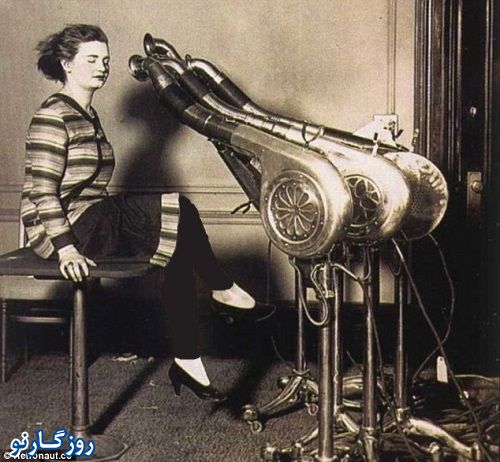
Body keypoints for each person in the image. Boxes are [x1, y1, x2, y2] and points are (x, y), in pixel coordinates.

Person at [21, 24, 256, 402]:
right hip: (64, 230)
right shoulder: (53, 116)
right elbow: (43, 191)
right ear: (66, 64)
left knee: (178, 239)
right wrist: (65, 249)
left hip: (91, 218)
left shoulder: (86, 114)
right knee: (180, 212)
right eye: (91, 60)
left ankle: (188, 357)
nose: (102, 67)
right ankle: (221, 289)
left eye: (105, 60)